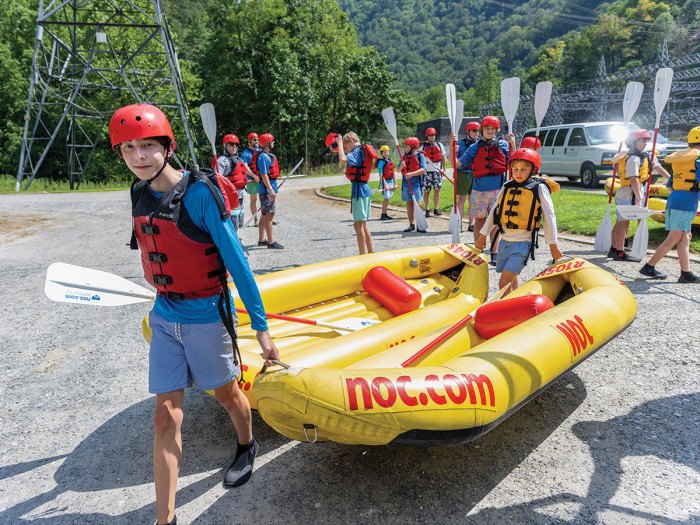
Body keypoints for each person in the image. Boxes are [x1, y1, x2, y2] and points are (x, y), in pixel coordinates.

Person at [108, 104, 280, 525]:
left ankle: (246, 443)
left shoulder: (199, 194)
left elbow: (238, 263)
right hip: (166, 314)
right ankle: (164, 520)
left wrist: (261, 329)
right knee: (165, 417)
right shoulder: (139, 192)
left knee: (226, 395)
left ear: (166, 146)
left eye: (147, 146)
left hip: (207, 313)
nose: (138, 157)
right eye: (128, 148)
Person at [476, 148, 563, 292]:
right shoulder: (507, 186)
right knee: (511, 281)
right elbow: (494, 212)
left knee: (503, 282)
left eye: (523, 169)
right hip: (504, 242)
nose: (518, 173)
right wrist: (482, 235)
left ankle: (504, 312)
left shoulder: (539, 188)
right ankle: (516, 305)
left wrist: (553, 245)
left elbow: (549, 217)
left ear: (533, 170)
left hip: (523, 244)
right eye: (515, 169)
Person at [451, 116, 516, 265]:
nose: (489, 131)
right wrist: (451, 147)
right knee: (479, 221)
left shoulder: (504, 145)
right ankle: (478, 250)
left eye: (492, 129)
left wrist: (514, 145)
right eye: (487, 128)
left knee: (495, 222)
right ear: (482, 130)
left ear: (496, 130)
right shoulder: (474, 147)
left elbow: (515, 163)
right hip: (478, 191)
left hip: (497, 190)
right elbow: (456, 164)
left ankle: (494, 252)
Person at [639, 126, 700, 282]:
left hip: (674, 200)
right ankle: (649, 266)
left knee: (685, 237)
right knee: (674, 238)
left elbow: (670, 185)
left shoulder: (682, 160)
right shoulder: (697, 160)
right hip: (685, 204)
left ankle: (685, 273)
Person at [608, 129, 671, 261]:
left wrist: (672, 180)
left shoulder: (646, 155)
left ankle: (614, 248)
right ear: (632, 142)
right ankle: (619, 251)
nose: (646, 143)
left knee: (622, 221)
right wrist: (639, 198)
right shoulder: (633, 159)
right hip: (629, 193)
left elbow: (659, 168)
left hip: (636, 191)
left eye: (647, 141)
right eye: (643, 140)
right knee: (623, 222)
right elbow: (633, 179)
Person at [336, 132, 376, 254]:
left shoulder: (357, 151)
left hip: (359, 191)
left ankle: (362, 255)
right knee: (362, 225)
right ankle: (370, 252)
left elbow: (343, 159)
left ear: (352, 140)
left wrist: (339, 144)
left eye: (346, 144)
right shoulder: (362, 150)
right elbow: (347, 156)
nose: (346, 148)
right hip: (365, 189)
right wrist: (340, 148)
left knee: (358, 226)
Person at [218, 133, 255, 230]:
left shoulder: (238, 159)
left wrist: (253, 177)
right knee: (233, 224)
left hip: (240, 195)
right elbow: (217, 179)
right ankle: (231, 243)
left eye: (236, 144)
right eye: (231, 144)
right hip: (230, 196)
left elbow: (244, 169)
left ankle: (235, 239)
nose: (234, 146)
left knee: (239, 223)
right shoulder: (222, 161)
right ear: (225, 145)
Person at [256, 133, 283, 249]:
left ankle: (262, 240)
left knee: (264, 214)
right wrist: (271, 190)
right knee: (269, 215)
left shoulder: (267, 156)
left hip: (268, 190)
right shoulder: (263, 157)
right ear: (267, 143)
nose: (274, 143)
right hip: (267, 191)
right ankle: (271, 242)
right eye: (272, 141)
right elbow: (264, 175)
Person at [397, 137, 427, 233]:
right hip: (406, 184)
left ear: (413, 147)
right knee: (409, 203)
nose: (405, 148)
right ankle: (411, 224)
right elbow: (398, 170)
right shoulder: (404, 157)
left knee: (418, 204)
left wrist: (411, 174)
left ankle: (419, 225)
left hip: (416, 184)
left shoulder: (420, 156)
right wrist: (401, 166)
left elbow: (423, 169)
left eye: (406, 146)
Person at [455, 121, 480, 231]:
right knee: (461, 199)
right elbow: (454, 160)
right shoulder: (460, 144)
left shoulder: (479, 144)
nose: (477, 133)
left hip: (475, 174)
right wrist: (454, 151)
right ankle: (459, 223)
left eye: (478, 131)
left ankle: (472, 223)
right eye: (474, 131)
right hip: (463, 174)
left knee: (473, 200)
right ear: (468, 132)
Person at [420, 127, 447, 217]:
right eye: (430, 135)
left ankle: (436, 209)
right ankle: (427, 210)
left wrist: (444, 169)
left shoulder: (439, 145)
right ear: (427, 136)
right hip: (426, 172)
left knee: (437, 190)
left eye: (433, 135)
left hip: (437, 171)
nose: (432, 137)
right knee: (426, 191)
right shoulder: (423, 147)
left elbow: (443, 158)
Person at [240, 133, 261, 226]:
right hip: (251, 179)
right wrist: (254, 176)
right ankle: (255, 219)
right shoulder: (245, 153)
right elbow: (245, 167)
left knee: (265, 198)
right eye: (254, 140)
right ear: (250, 141)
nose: (256, 141)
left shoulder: (260, 151)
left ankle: (266, 218)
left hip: (261, 178)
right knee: (254, 200)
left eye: (257, 139)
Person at [376, 145, 395, 220]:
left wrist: (395, 183)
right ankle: (383, 214)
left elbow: (392, 172)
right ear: (381, 153)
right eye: (384, 152)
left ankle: (385, 213)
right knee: (386, 198)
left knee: (388, 198)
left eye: (387, 152)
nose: (386, 153)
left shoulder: (390, 160)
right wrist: (385, 184)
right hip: (385, 182)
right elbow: (381, 174)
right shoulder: (381, 162)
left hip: (391, 181)